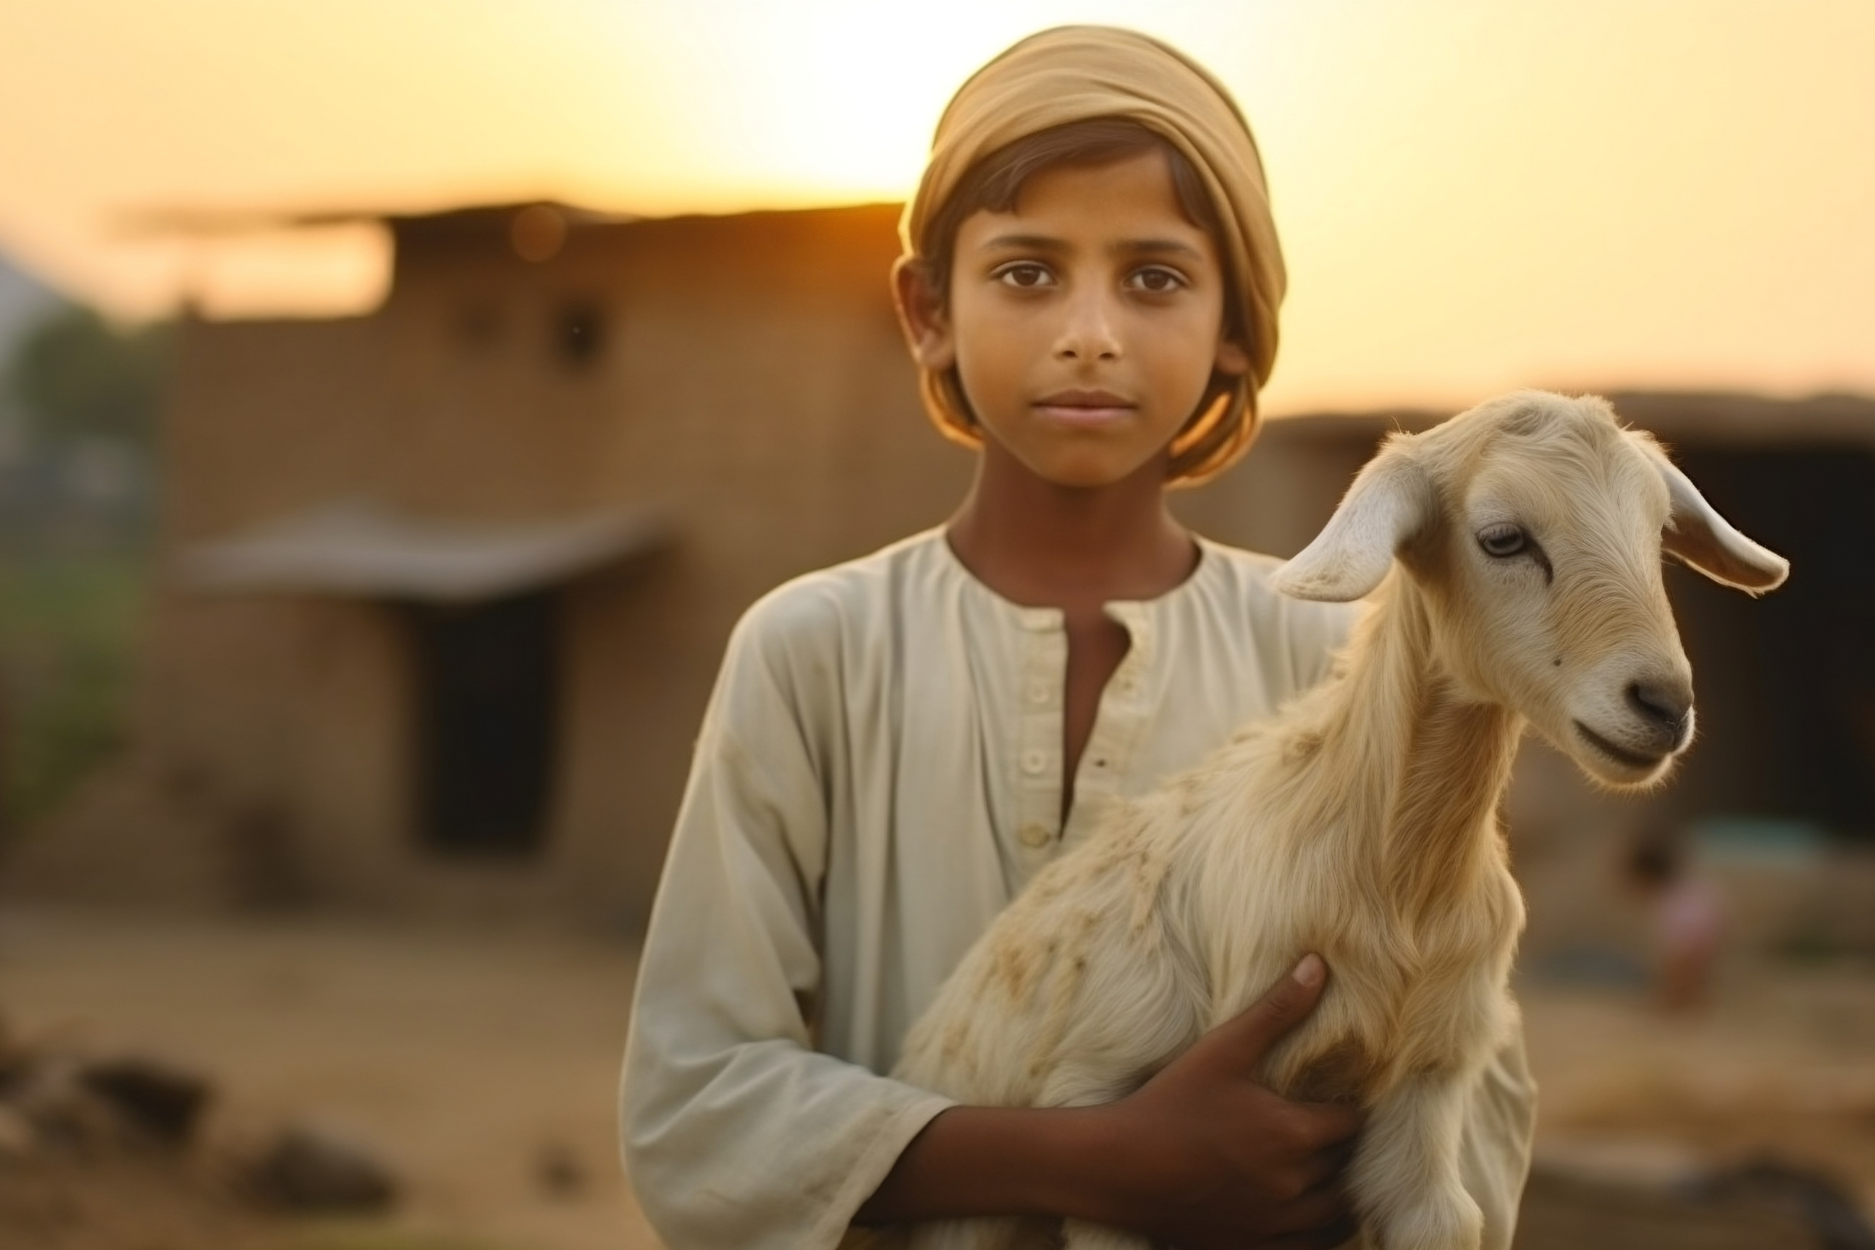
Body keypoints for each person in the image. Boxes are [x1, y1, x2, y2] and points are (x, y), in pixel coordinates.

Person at [621, 25, 1536, 1250]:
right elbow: (693, 1105)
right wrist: (1100, 1159)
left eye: (1154, 277)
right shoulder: (815, 651)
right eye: (1027, 272)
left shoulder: (1344, 655)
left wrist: (1292, 1178)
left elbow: (1475, 1085)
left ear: (1234, 326)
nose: (1090, 331)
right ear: (926, 309)